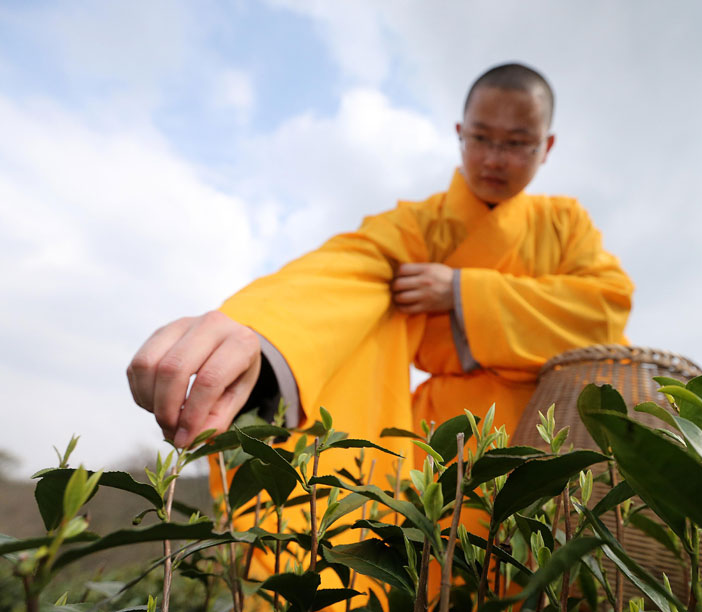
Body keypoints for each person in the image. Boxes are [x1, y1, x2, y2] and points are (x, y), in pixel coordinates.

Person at [127, 62, 633, 582]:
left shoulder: (566, 225)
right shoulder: (422, 224)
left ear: (546, 147)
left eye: (517, 143)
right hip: (444, 445)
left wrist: (463, 293)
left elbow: (605, 309)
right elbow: (351, 268)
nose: (494, 159)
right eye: (481, 138)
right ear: (460, 134)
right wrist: (255, 330)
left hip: (544, 436)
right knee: (429, 570)